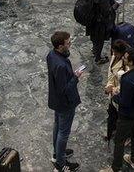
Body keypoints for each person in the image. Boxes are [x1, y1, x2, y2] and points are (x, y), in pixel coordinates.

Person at [100, 47, 134, 172]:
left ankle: (115, 168)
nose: (123, 57)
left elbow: (124, 102)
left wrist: (114, 93)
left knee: (119, 140)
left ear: (131, 62)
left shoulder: (127, 79)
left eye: (125, 57)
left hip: (127, 115)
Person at [47, 31, 82, 172]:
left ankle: (57, 153)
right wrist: (76, 77)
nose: (70, 44)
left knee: (57, 125)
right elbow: (65, 89)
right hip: (65, 103)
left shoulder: (51, 54)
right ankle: (61, 163)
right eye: (68, 43)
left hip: (56, 100)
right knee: (63, 132)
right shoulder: (60, 65)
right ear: (60, 46)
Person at [86, 0, 118, 64]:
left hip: (91, 19)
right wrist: (117, 4)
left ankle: (94, 50)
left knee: (94, 37)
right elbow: (107, 11)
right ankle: (98, 58)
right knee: (99, 41)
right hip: (100, 23)